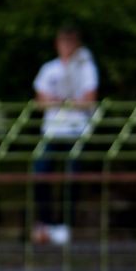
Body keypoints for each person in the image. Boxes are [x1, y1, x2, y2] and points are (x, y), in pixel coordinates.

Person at [31, 25, 98, 246]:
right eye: (63, 41)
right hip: (52, 131)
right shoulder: (48, 68)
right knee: (40, 174)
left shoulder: (86, 67)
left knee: (72, 179)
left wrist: (62, 102)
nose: (67, 46)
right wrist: (65, 102)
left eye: (71, 42)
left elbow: (89, 99)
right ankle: (46, 222)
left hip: (76, 130)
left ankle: (64, 225)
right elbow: (40, 100)